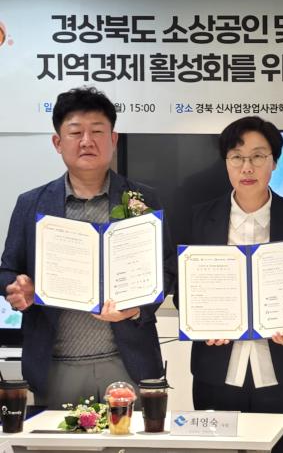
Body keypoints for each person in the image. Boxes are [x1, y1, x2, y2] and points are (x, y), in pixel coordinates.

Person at [0, 87, 175, 408]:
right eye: (75, 132)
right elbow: (7, 270)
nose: (86, 141)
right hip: (56, 367)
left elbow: (167, 270)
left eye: (97, 131)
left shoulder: (143, 200)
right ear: (58, 142)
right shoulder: (31, 203)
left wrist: (136, 308)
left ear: (113, 139)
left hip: (128, 362)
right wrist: (16, 287)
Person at [184, 116, 283, 453]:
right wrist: (201, 324)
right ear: (226, 163)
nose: (247, 167)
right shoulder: (199, 219)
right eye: (237, 157)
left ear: (274, 162)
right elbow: (185, 287)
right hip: (217, 372)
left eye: (258, 156)